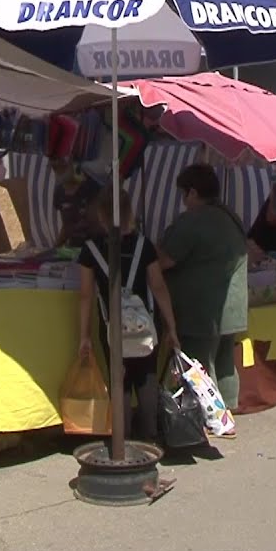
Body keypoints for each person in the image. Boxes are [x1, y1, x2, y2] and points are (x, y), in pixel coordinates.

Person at [76, 188, 179, 443]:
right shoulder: (144, 245)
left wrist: (84, 336)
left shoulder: (90, 250)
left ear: (101, 215)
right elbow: (158, 286)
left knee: (118, 379)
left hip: (111, 325)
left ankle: (122, 439)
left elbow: (86, 295)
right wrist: (172, 328)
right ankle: (150, 438)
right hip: (146, 324)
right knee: (147, 378)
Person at [160, 164, 249, 422]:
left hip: (202, 309)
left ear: (192, 192)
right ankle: (227, 412)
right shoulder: (230, 216)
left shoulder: (194, 220)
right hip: (230, 307)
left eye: (183, 193)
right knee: (224, 363)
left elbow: (166, 259)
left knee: (200, 367)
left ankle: (209, 418)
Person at [52, 161, 102, 248]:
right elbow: (66, 227)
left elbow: (98, 226)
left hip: (96, 246)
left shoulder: (91, 187)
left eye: (63, 168)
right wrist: (54, 249)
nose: (59, 172)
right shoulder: (59, 193)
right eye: (55, 168)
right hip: (74, 247)